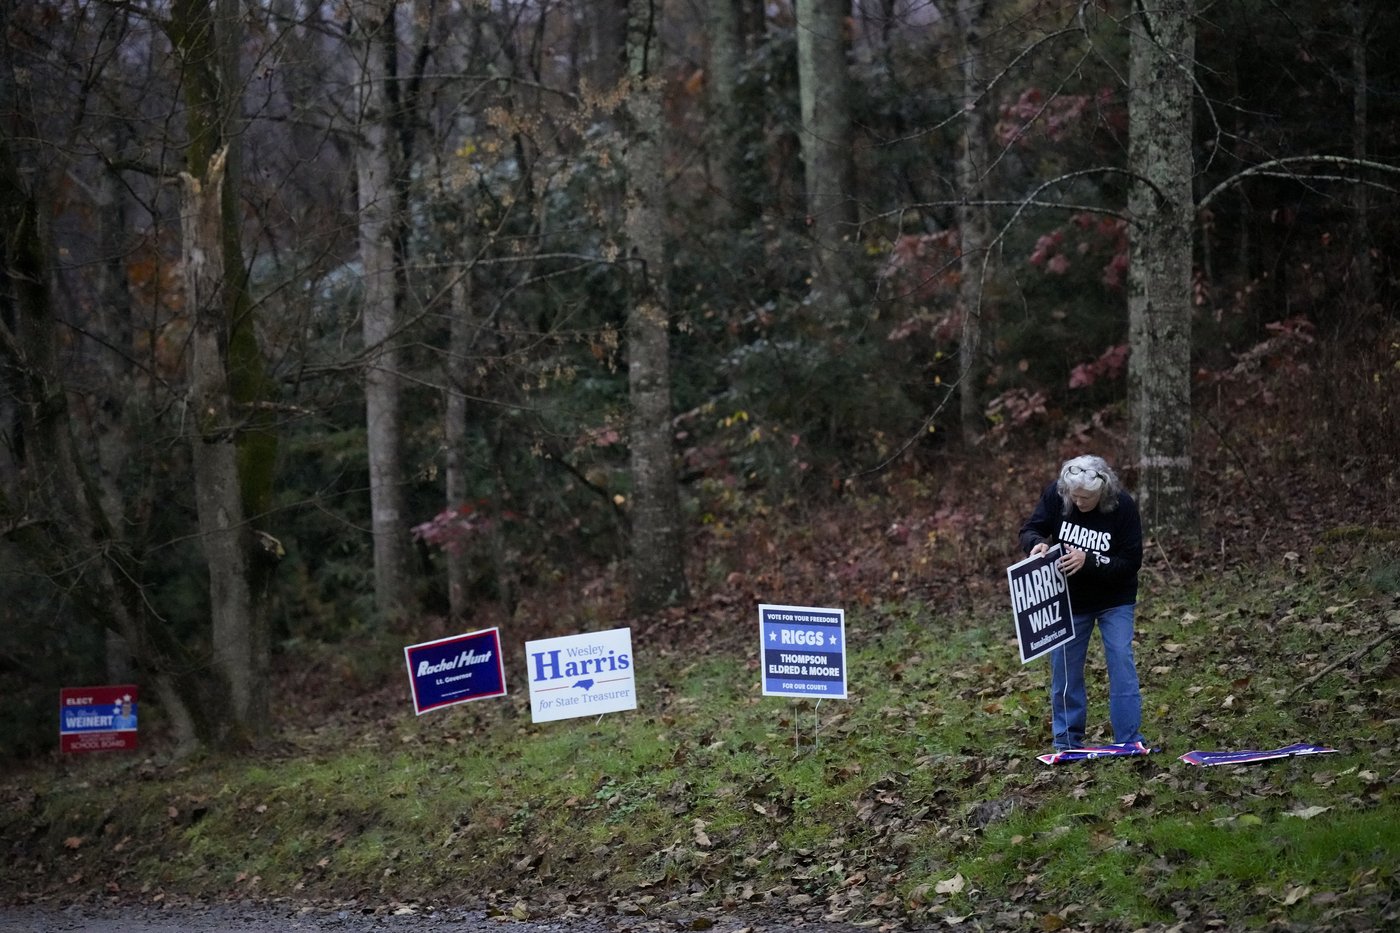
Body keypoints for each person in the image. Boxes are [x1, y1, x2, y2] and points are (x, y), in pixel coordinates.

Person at [1018, 454, 1145, 750]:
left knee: (1121, 661)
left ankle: (1129, 739)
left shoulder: (1122, 505)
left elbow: (1130, 562)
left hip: (1115, 598)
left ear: (1103, 490)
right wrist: (1035, 544)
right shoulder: (1057, 494)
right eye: (1074, 496)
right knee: (1065, 670)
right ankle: (1066, 740)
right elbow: (1030, 528)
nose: (1079, 502)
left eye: (1086, 497)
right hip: (1070, 600)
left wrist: (1090, 561)